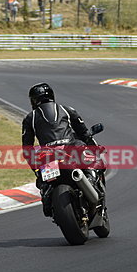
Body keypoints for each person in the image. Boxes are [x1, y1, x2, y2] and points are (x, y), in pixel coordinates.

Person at [21, 84, 105, 217]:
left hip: (47, 155)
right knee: (92, 158)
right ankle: (91, 180)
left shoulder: (29, 118)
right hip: (70, 148)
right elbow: (84, 133)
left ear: (33, 100)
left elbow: (27, 148)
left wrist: (36, 170)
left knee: (42, 180)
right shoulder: (67, 110)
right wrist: (96, 148)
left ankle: (47, 192)